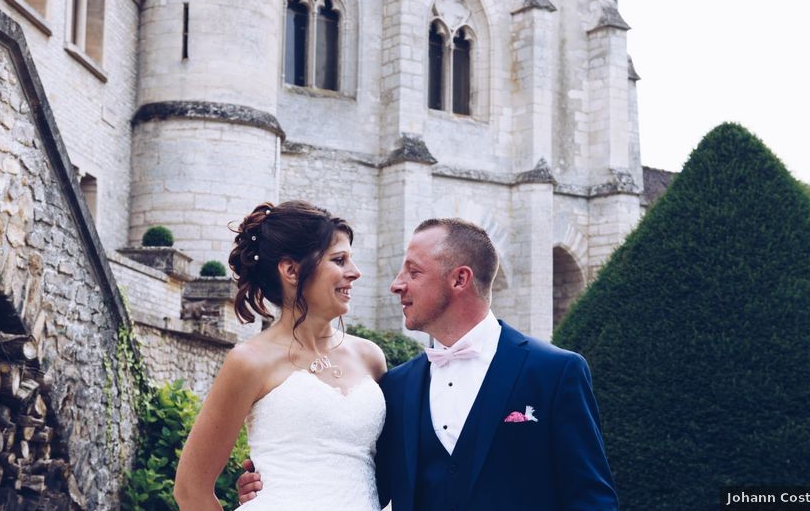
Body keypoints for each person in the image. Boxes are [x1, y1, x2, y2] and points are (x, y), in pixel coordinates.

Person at [239, 218, 618, 509]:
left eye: (413, 272)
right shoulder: (397, 385)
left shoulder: (555, 372)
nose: (396, 284)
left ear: (460, 279)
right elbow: (360, 477)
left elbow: (592, 499)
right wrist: (271, 482)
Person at [174, 200, 387, 511]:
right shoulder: (249, 361)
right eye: (339, 260)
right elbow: (191, 489)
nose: (355, 273)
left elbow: (396, 467)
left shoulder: (370, 357)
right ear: (291, 270)